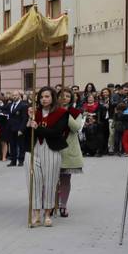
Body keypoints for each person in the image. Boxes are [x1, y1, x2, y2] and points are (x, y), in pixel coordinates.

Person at [29, 87, 68, 228]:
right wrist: (29, 120)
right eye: (41, 97)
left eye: (47, 96)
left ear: (53, 98)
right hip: (34, 150)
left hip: (51, 150)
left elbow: (56, 132)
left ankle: (47, 214)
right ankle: (36, 214)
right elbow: (25, 132)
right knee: (34, 182)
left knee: (50, 183)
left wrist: (38, 127)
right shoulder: (34, 113)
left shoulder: (61, 113)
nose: (44, 99)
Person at [56, 88, 85, 218]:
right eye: (62, 96)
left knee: (65, 179)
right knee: (50, 180)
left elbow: (76, 127)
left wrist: (65, 114)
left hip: (68, 150)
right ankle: (51, 204)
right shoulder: (51, 111)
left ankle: (63, 205)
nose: (65, 98)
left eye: (68, 96)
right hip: (53, 148)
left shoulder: (75, 112)